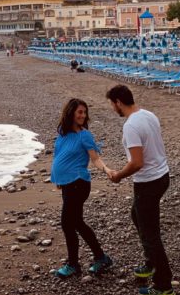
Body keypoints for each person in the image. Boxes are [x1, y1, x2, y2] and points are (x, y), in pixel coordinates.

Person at [104, 85, 175, 295]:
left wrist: (118, 176)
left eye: (111, 104)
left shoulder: (131, 126)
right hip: (162, 176)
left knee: (151, 235)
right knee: (137, 216)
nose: (112, 108)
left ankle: (164, 286)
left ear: (118, 102)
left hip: (148, 183)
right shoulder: (148, 115)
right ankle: (151, 262)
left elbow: (136, 163)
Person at [50, 98, 113, 278]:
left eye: (84, 113)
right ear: (71, 113)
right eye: (80, 112)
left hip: (79, 184)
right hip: (68, 184)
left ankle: (74, 265)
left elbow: (94, 158)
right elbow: (59, 157)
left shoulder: (84, 135)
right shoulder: (63, 134)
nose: (83, 116)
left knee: (67, 224)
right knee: (76, 223)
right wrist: (58, 179)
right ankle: (101, 258)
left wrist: (106, 169)